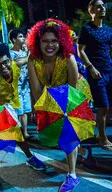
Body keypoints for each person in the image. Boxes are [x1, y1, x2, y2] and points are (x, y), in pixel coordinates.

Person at [26, 18, 96, 192]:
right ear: (38, 42)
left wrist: (63, 110)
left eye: (54, 41)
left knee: (68, 132)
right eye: (45, 41)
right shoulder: (33, 59)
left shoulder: (68, 57)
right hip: (52, 96)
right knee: (61, 134)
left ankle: (72, 176)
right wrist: (40, 108)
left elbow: (72, 92)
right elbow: (35, 89)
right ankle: (82, 152)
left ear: (61, 41)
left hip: (75, 94)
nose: (50, 45)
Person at [0, 43, 46, 174]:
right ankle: (29, 158)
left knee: (14, 136)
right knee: (10, 136)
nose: (3, 67)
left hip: (13, 105)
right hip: (0, 109)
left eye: (5, 62)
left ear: (10, 59)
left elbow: (30, 57)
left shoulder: (16, 64)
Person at [78, 0, 112, 151]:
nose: (102, 8)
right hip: (96, 73)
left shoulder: (108, 30)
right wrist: (91, 68)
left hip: (109, 70)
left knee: (110, 105)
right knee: (103, 106)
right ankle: (102, 138)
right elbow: (81, 50)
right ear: (91, 11)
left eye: (103, 6)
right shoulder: (86, 29)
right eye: (98, 6)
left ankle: (101, 133)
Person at [8, 29, 33, 139]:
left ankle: (25, 132)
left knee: (26, 110)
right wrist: (28, 57)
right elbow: (16, 63)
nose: (23, 38)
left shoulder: (24, 53)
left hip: (25, 86)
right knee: (19, 111)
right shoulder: (10, 53)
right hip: (15, 86)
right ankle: (19, 132)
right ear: (14, 40)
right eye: (21, 36)